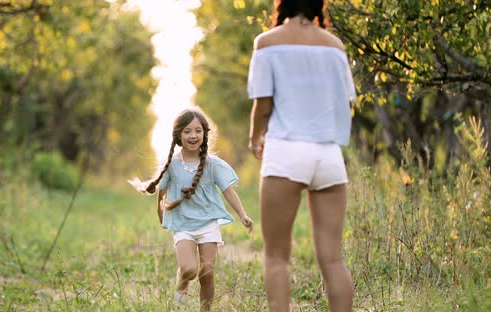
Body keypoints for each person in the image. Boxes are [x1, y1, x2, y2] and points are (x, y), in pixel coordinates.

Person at [246, 1, 356, 311]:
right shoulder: (335, 45)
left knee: (277, 256)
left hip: (286, 151)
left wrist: (255, 140)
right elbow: (345, 102)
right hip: (329, 155)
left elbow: (263, 105)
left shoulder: (266, 42)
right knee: (333, 259)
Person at [130, 107, 253, 312]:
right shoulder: (172, 164)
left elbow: (228, 192)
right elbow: (162, 191)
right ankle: (181, 287)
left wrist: (242, 214)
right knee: (189, 269)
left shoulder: (212, 164)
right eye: (187, 131)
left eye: (197, 130)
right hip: (183, 224)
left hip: (208, 225)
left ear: (204, 134)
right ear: (178, 135)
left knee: (207, 273)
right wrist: (161, 213)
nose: (193, 135)